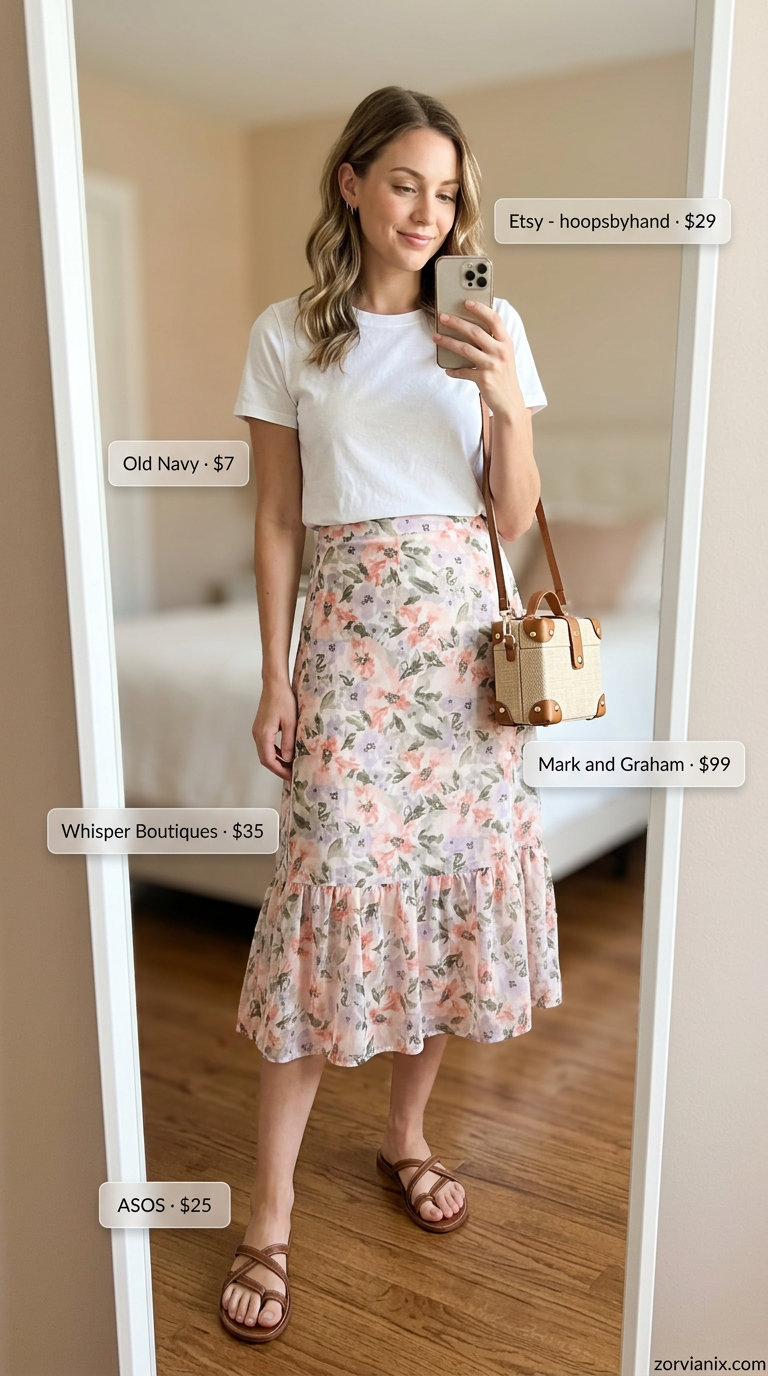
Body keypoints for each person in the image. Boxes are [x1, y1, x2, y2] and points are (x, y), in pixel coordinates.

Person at [220, 84, 563, 1344]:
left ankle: (408, 1135)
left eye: (450, 188)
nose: (430, 210)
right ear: (355, 183)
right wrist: (277, 670)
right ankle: (268, 1214)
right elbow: (272, 517)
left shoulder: (490, 319)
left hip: (467, 661)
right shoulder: (285, 334)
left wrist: (506, 398)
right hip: (351, 658)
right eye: (407, 182)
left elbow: (514, 518)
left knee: (451, 898)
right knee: (326, 898)